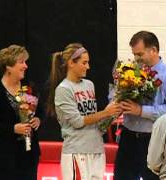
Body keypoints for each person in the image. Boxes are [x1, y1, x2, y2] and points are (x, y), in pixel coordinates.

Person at [46, 43, 121, 180]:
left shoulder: (89, 85)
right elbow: (78, 122)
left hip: (97, 148)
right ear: (71, 63)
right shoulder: (63, 89)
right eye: (84, 62)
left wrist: (115, 112)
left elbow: (96, 122)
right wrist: (105, 112)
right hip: (77, 151)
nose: (88, 67)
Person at [114, 31, 166, 180]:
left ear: (153, 50)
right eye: (134, 54)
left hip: (153, 138)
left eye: (140, 54)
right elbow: (116, 95)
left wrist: (141, 111)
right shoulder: (129, 71)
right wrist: (118, 103)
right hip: (128, 136)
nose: (136, 59)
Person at [0, 45, 41, 180]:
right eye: (21, 62)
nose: (26, 66)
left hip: (28, 157)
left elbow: (39, 111)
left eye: (26, 62)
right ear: (8, 66)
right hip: (3, 160)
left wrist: (38, 120)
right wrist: (12, 129)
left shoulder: (28, 87)